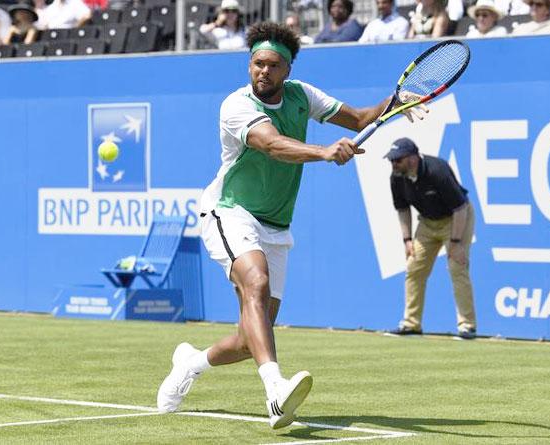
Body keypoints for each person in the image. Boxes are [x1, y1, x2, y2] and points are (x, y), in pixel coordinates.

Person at [156, 21, 426, 429]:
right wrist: (323, 151)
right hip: (230, 211)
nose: (263, 71)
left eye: (272, 65)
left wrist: (395, 100)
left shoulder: (302, 96)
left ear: (288, 70)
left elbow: (358, 119)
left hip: (276, 224)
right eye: (257, 63)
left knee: (252, 337)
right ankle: (275, 391)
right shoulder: (237, 106)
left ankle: (190, 363)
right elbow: (269, 144)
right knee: (256, 284)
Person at [386, 138, 477, 340]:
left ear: (412, 158)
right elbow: (402, 209)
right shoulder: (397, 177)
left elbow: (460, 208)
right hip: (427, 223)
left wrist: (455, 243)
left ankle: (467, 326)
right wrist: (407, 239)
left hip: (456, 219)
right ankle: (411, 324)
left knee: (457, 267)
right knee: (414, 268)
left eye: (397, 160)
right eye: (392, 160)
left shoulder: (437, 170)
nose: (394, 164)